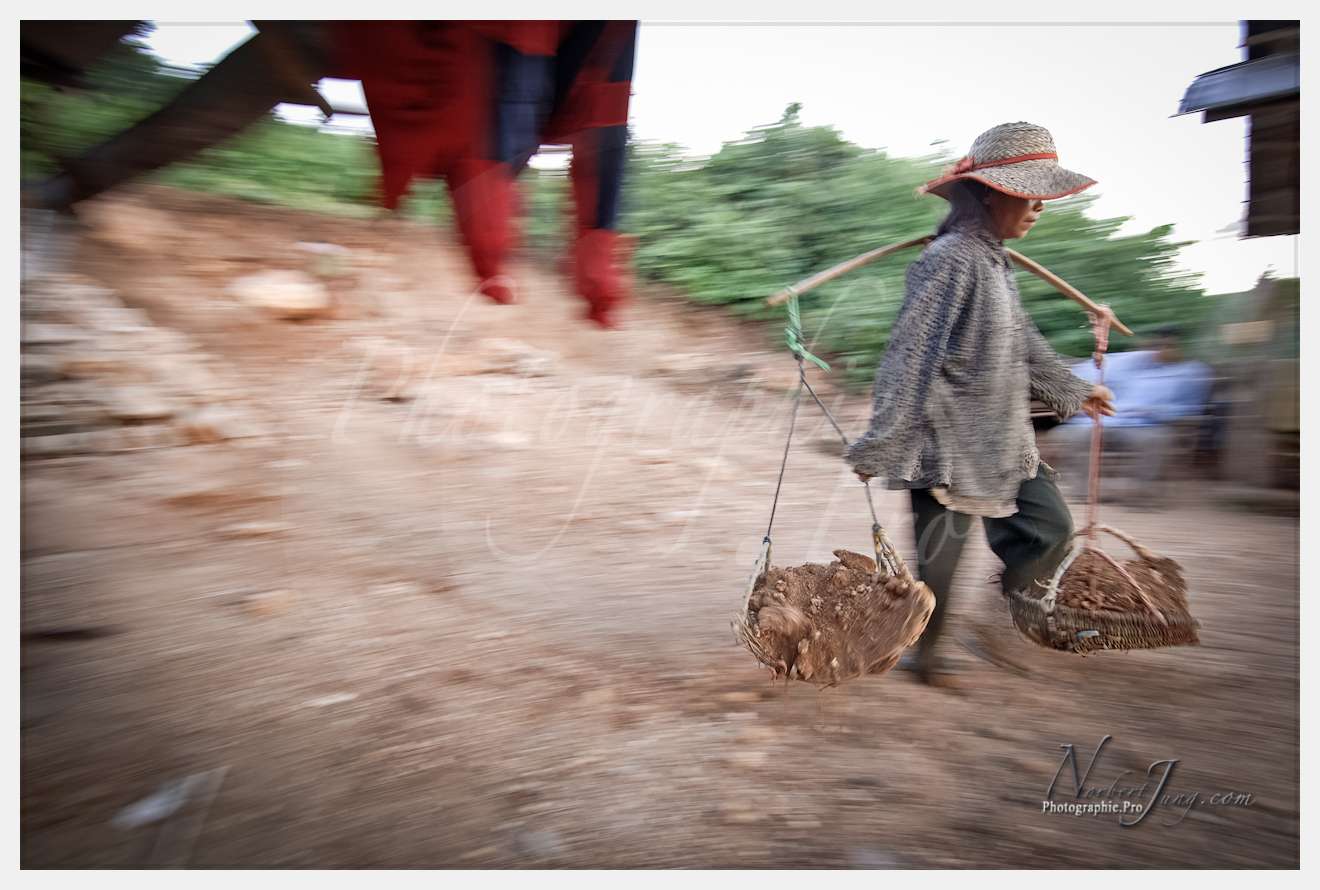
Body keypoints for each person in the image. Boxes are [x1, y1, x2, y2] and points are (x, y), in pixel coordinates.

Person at [845, 122, 1114, 686]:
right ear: (991, 193)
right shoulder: (950, 260)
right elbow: (909, 356)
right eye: (1028, 192)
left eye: (1043, 194)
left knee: (1049, 527)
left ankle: (1013, 617)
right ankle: (927, 656)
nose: (1039, 206)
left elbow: (1023, 344)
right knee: (939, 563)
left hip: (1002, 438)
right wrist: (885, 441)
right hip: (945, 442)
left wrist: (1075, 390)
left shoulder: (994, 262)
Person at [1047, 324, 1213, 506]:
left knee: (1154, 440)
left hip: (1148, 424)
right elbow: (1089, 370)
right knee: (1074, 435)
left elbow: (1189, 409)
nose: (1161, 350)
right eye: (1158, 345)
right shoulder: (1135, 363)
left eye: (1168, 345)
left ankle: (1140, 494)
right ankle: (1085, 492)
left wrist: (1155, 412)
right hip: (1110, 420)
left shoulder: (1190, 373)